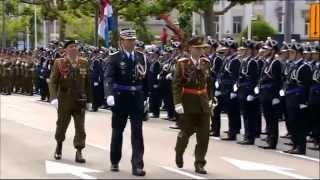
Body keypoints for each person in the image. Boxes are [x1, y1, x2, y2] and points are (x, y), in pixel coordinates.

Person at [104, 28, 148, 176]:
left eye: (133, 40)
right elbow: (109, 78)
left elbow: (146, 79)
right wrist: (109, 94)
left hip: (136, 98)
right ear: (121, 42)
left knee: (137, 133)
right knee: (118, 131)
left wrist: (146, 97)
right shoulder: (115, 57)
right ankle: (115, 160)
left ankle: (137, 165)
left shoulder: (141, 57)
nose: (131, 43)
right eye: (128, 40)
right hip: (120, 98)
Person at [173, 36, 213, 174]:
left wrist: (211, 99)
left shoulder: (206, 62)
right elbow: (176, 84)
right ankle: (179, 152)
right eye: (197, 48)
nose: (199, 51)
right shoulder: (182, 64)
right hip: (188, 103)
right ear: (190, 48)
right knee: (185, 134)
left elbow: (209, 83)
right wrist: (177, 103)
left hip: (203, 103)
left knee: (204, 136)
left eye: (201, 48)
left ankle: (200, 163)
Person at [49, 39, 91, 163]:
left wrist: (89, 100)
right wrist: (53, 98)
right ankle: (59, 145)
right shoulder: (59, 63)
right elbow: (53, 81)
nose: (74, 49)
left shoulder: (84, 62)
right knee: (61, 125)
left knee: (80, 128)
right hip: (64, 99)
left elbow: (88, 83)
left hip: (79, 100)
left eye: (75, 47)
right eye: (71, 47)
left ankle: (79, 151)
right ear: (65, 49)